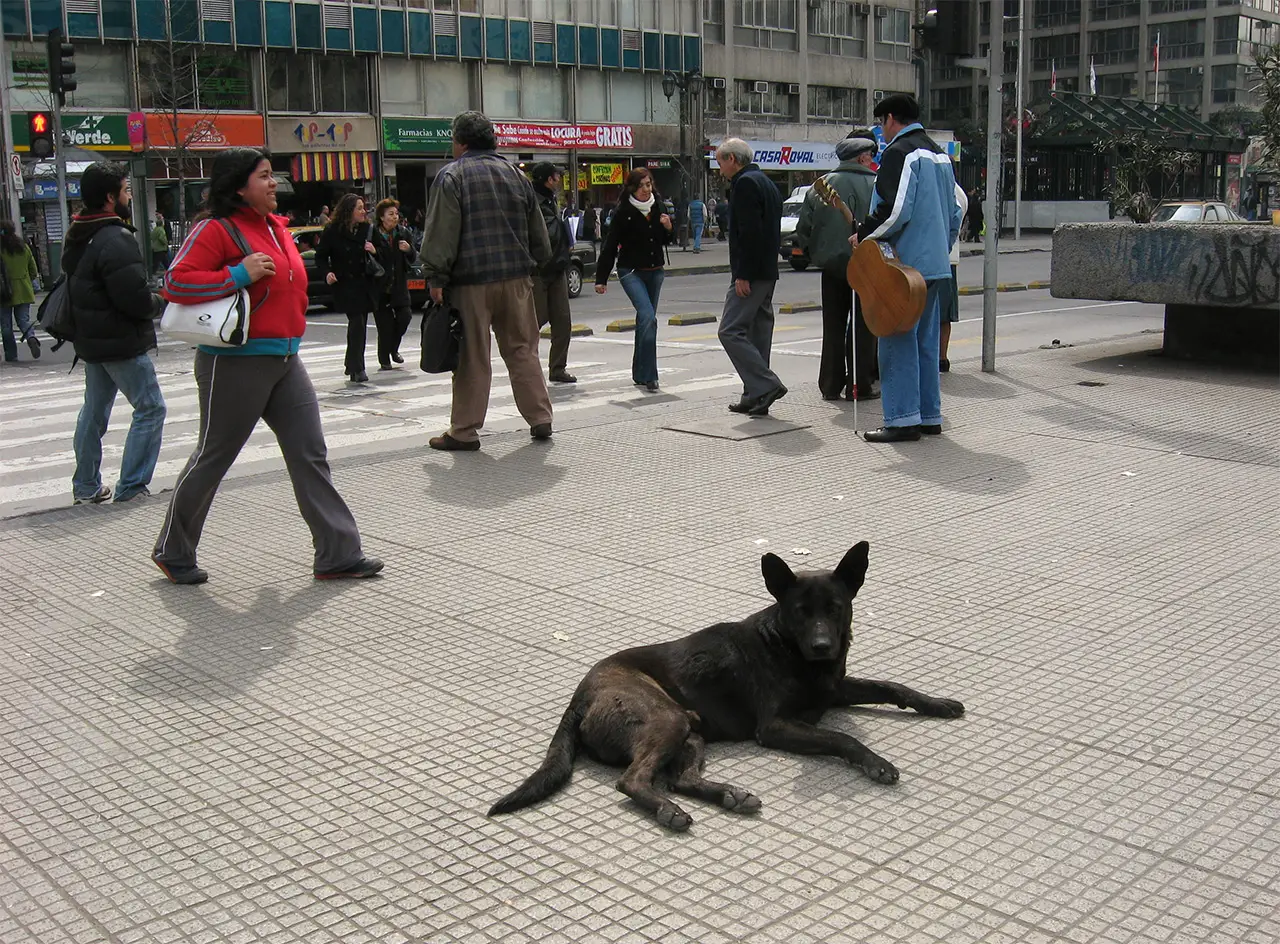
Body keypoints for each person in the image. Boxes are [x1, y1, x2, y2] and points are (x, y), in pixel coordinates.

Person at [153, 147, 382, 585]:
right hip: (235, 363)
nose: (273, 182)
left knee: (309, 452)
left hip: (284, 358)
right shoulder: (216, 229)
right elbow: (175, 281)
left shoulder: (276, 228)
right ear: (239, 186)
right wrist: (237, 274)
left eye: (272, 175)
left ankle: (338, 553)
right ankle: (173, 549)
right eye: (263, 176)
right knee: (214, 456)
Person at [419, 110, 555, 451]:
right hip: (517, 278)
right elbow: (539, 234)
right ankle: (540, 417)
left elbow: (441, 233)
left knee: (473, 357)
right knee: (523, 349)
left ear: (461, 143)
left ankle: (464, 431)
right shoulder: (516, 175)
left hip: (471, 282)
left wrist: (435, 276)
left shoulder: (451, 177)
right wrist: (537, 264)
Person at [852, 94, 962, 443]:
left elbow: (895, 210)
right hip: (934, 266)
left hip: (903, 267)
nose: (880, 133)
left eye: (880, 124)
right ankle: (930, 416)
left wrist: (865, 236)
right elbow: (957, 210)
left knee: (896, 341)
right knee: (926, 343)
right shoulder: (940, 155)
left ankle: (901, 420)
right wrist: (940, 249)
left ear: (889, 119)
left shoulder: (900, 154)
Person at [62, 163, 167, 504]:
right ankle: (132, 487)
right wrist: (159, 300)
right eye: (124, 190)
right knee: (151, 408)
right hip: (120, 342)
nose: (127, 196)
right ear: (110, 198)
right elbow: (134, 300)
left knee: (93, 413)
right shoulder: (116, 238)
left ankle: (86, 486)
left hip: (92, 342)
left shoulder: (78, 233)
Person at [795, 133, 879, 402]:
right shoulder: (877, 184)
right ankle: (859, 385)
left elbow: (803, 228)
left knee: (832, 326)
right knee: (863, 327)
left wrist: (814, 253)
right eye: (871, 158)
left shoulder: (820, 185)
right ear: (863, 158)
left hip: (831, 268)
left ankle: (830, 385)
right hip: (867, 266)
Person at [715, 139, 786, 417]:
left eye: (721, 162)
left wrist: (742, 274)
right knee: (758, 331)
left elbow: (749, 233)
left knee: (729, 330)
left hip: (752, 273)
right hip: (768, 270)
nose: (720, 169)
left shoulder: (744, 184)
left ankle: (766, 385)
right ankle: (754, 394)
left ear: (733, 159)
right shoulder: (767, 182)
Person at [594, 168, 673, 393]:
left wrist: (668, 227)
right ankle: (650, 376)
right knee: (649, 317)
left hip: (655, 270)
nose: (647, 189)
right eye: (642, 186)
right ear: (632, 188)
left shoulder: (659, 206)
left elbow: (666, 239)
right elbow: (610, 245)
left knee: (645, 321)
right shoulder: (623, 211)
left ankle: (640, 372)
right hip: (631, 271)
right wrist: (602, 278)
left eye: (649, 184)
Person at [315, 193, 378, 383]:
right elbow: (320, 257)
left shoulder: (367, 229)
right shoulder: (332, 230)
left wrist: (374, 251)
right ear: (348, 210)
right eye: (359, 208)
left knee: (359, 325)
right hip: (344, 284)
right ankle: (357, 367)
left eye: (363, 207)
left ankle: (353, 365)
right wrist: (327, 273)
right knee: (357, 322)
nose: (363, 211)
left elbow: (382, 253)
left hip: (364, 284)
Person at [529, 162, 577, 384]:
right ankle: (527, 368)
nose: (559, 180)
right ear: (549, 179)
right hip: (538, 271)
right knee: (534, 322)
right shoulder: (531, 201)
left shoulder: (551, 200)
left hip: (557, 268)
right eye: (557, 176)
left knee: (563, 322)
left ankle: (557, 368)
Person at [370, 198, 417, 371]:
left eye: (396, 214)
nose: (395, 217)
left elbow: (413, 257)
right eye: (390, 214)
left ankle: (393, 348)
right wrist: (375, 252)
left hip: (399, 284)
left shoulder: (403, 233)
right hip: (380, 286)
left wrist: (409, 250)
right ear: (382, 217)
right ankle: (384, 359)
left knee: (405, 317)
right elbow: (370, 259)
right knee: (385, 326)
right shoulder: (373, 234)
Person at [1, 221, 41, 362]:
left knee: (6, 325)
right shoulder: (23, 247)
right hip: (24, 289)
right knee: (23, 320)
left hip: (4, 292)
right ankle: (31, 338)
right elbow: (33, 270)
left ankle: (11, 355)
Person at [940, 182, 968, 373]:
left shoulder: (952, 192)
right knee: (944, 314)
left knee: (941, 313)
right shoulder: (957, 192)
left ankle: (940, 358)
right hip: (946, 258)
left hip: (943, 258)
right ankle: (941, 358)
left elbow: (954, 221)